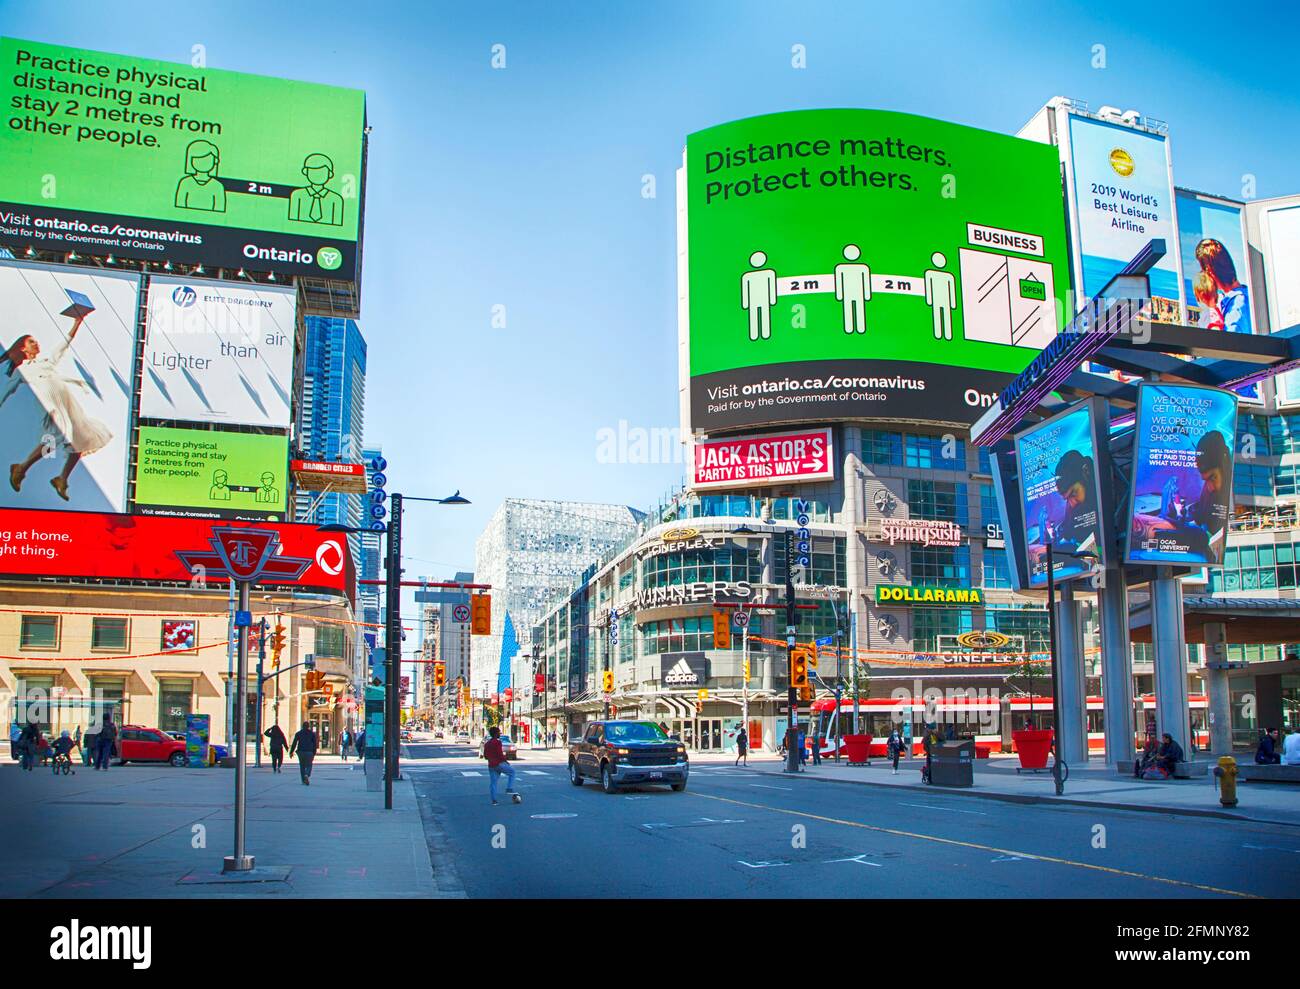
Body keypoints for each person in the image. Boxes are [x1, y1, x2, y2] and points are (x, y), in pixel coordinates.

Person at [3, 311, 113, 502]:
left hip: (70, 406)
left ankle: (61, 479)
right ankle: (21, 468)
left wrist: (77, 323)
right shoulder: (23, 370)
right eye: (31, 342)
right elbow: (7, 390)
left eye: (36, 341)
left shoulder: (46, 362)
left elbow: (63, 347)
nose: (36, 343)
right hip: (53, 409)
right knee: (52, 442)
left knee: (82, 439)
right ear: (23, 348)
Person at [483, 726, 518, 805]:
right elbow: (500, 754)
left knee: (493, 783)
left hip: (491, 765)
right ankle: (509, 788)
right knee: (512, 772)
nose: (500, 733)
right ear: (495, 734)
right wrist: (505, 761)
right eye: (499, 732)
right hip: (499, 763)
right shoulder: (498, 742)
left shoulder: (487, 744)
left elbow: (485, 756)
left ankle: (494, 800)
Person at [289, 721, 318, 785]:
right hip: (309, 751)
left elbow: (294, 743)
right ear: (308, 726)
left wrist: (291, 752)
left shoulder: (298, 733)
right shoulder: (312, 734)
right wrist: (314, 752)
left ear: (302, 726)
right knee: (309, 765)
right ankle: (307, 775)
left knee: (302, 766)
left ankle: (303, 780)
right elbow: (315, 744)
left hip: (301, 751)